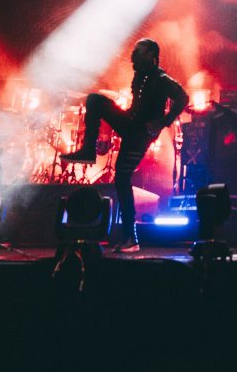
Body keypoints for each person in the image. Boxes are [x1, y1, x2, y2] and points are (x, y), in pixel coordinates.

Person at [61, 38, 188, 253]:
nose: (133, 56)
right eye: (134, 52)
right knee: (94, 100)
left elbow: (183, 97)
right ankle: (88, 150)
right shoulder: (142, 75)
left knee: (122, 178)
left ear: (151, 56)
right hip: (131, 124)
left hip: (140, 134)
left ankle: (131, 237)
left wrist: (162, 122)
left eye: (139, 52)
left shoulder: (161, 78)